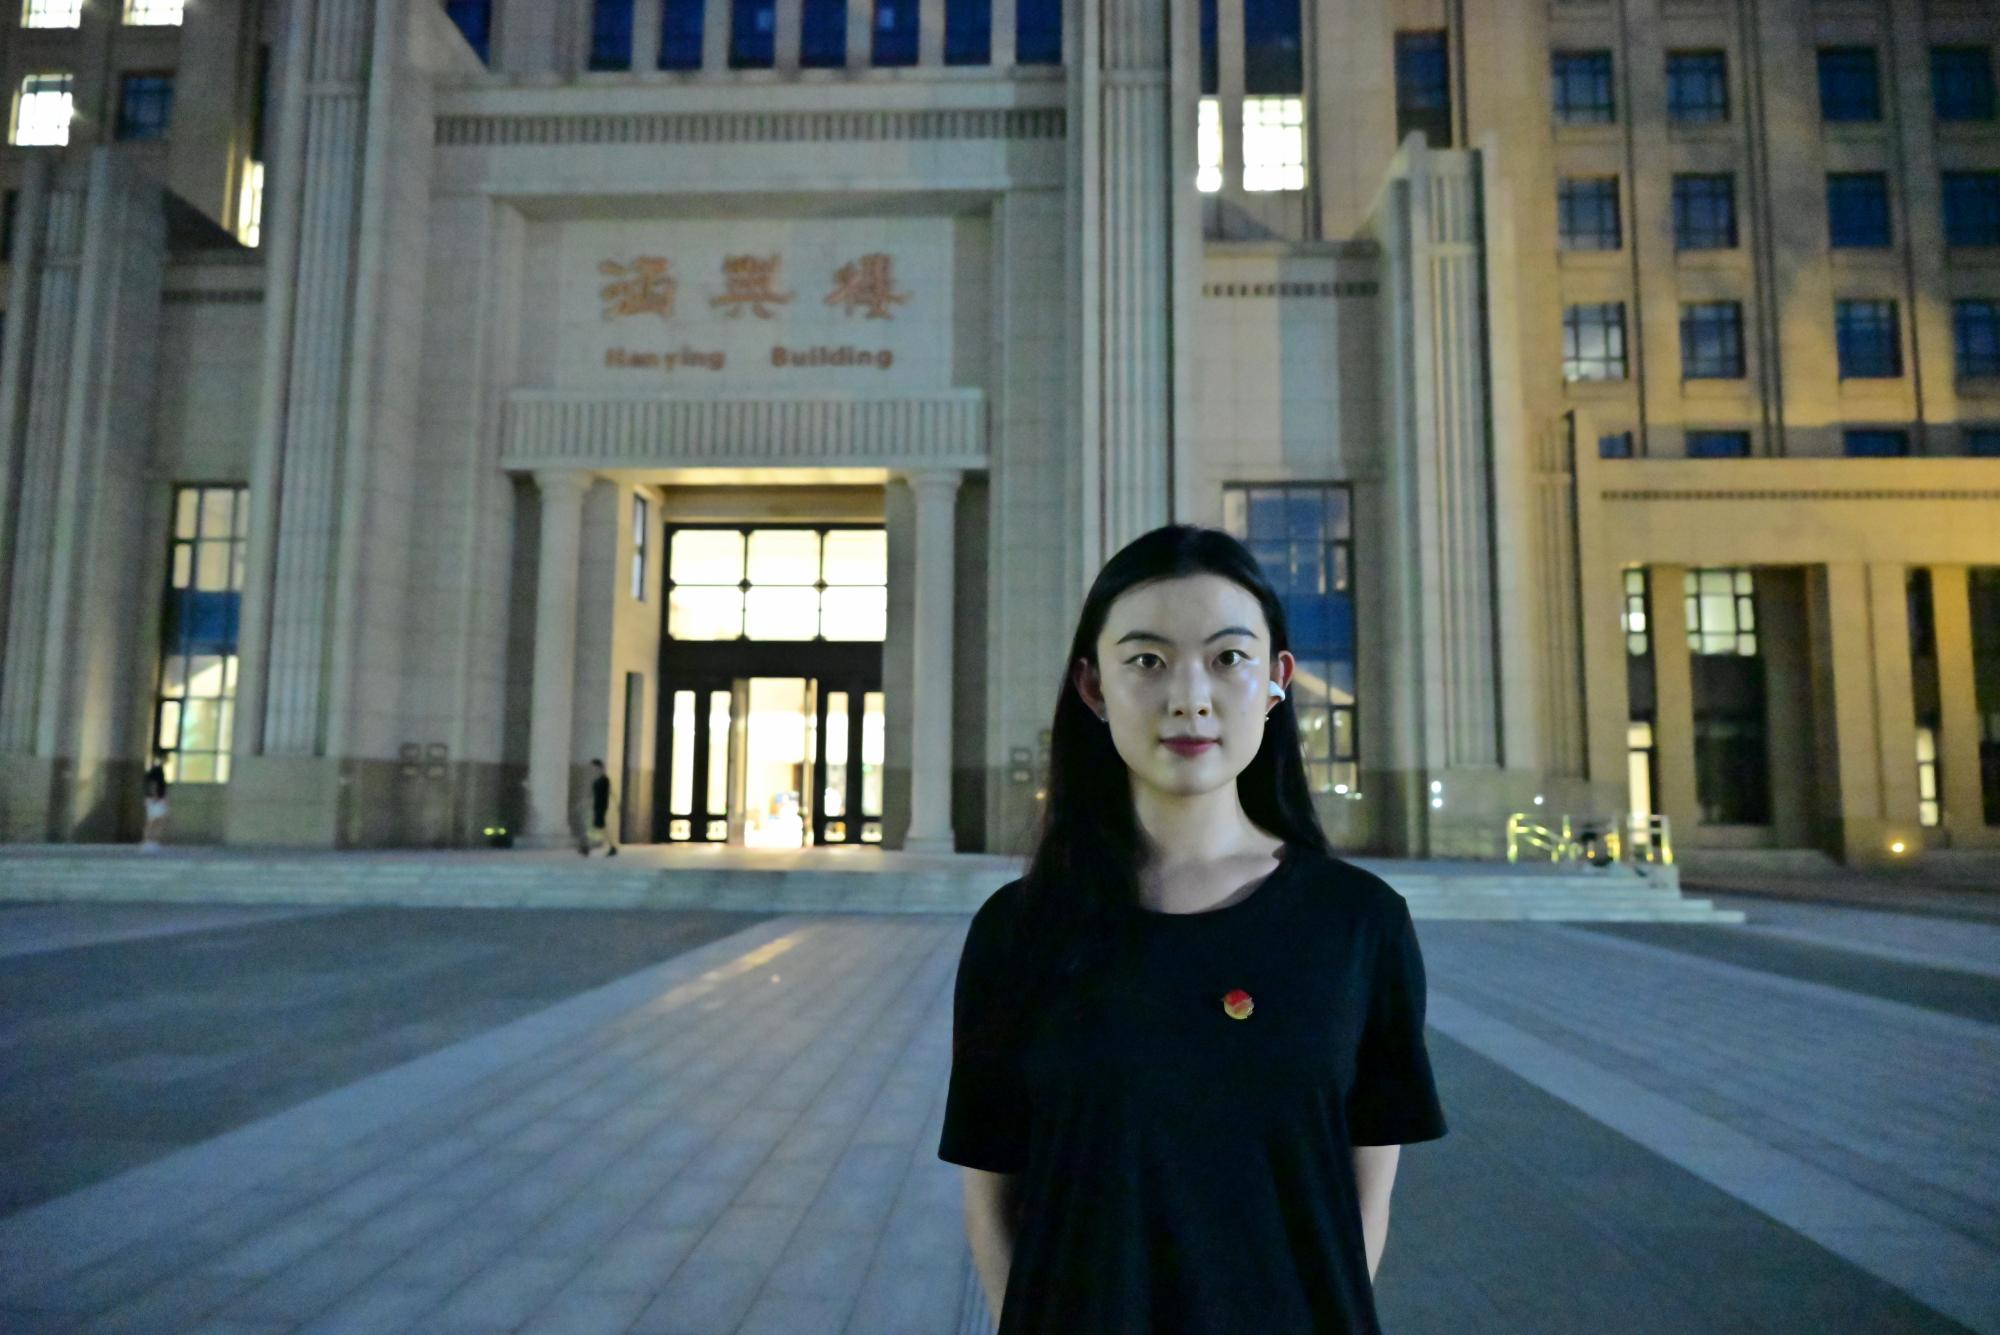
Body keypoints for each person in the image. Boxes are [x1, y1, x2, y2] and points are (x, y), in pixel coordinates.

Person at [938, 524, 1448, 1334]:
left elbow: (1363, 1203)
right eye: (1147, 660)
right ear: (1093, 686)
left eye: (1227, 657)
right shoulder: (1021, 930)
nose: (1189, 696)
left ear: (1277, 680)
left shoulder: (1358, 924)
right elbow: (992, 1199)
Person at [579, 758, 618, 857]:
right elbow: (591, 794)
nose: (592, 770)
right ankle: (589, 847)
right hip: (596, 806)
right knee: (597, 827)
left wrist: (616, 802)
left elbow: (610, 792)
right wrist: (584, 803)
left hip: (601, 806)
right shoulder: (596, 780)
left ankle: (588, 847)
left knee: (598, 827)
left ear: (599, 768)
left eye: (594, 768)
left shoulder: (604, 780)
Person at [141, 752, 169, 853]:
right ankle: (148, 842)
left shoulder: (158, 770)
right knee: (152, 821)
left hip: (156, 798)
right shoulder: (157, 770)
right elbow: (153, 783)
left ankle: (152, 842)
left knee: (156, 821)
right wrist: (155, 796)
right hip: (155, 799)